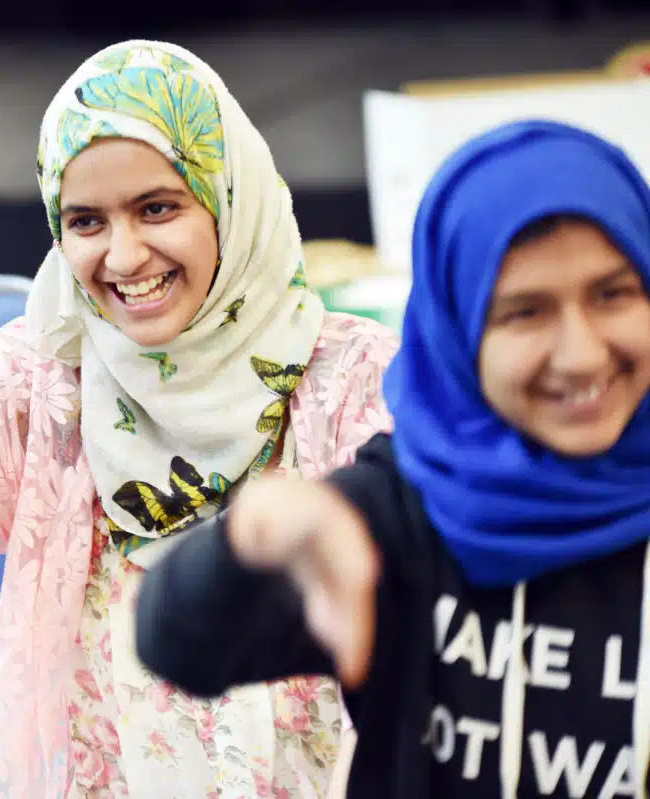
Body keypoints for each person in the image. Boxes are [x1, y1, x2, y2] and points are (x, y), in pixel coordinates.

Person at [0, 39, 398, 797]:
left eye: (158, 207)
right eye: (86, 221)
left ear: (228, 195)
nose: (125, 253)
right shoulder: (53, 383)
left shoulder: (353, 383)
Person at [134, 120, 650, 798]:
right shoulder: (401, 509)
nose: (581, 353)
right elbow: (179, 642)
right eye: (524, 313)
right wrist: (253, 535)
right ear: (457, 335)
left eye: (613, 293)